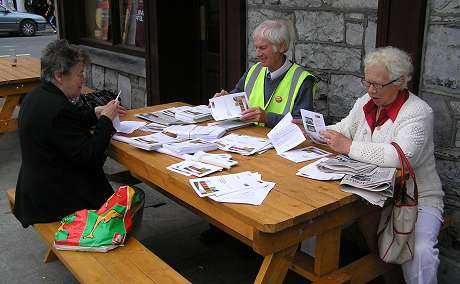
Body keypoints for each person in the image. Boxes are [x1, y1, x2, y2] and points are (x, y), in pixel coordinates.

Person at [305, 47, 444, 284]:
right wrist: (317, 132)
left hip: (414, 198)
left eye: (377, 84)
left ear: (400, 81)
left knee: (420, 252)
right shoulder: (366, 102)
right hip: (370, 193)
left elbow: (401, 157)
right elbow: (345, 129)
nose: (370, 90)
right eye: (367, 82)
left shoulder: (418, 112)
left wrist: (347, 146)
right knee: (313, 222)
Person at [13, 39, 125, 228]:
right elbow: (91, 157)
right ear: (59, 75)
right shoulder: (57, 109)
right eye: (79, 74)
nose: (83, 80)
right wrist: (106, 120)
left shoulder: (38, 95)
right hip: (55, 200)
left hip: (38, 188)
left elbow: (64, 128)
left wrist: (95, 112)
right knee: (126, 202)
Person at [214, 19, 317, 128]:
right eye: (256, 48)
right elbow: (238, 95)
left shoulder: (303, 79)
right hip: (248, 138)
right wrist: (226, 99)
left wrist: (267, 118)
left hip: (281, 142)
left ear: (282, 47)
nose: (257, 54)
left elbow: (302, 124)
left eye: (262, 48)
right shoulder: (254, 70)